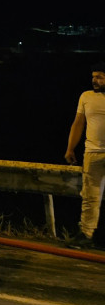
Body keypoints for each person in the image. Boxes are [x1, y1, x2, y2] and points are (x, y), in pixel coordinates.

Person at [64, 63, 105, 247]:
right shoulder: (86, 96)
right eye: (93, 76)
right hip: (92, 153)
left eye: (100, 77)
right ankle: (86, 234)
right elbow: (78, 123)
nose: (95, 80)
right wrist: (70, 148)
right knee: (90, 196)